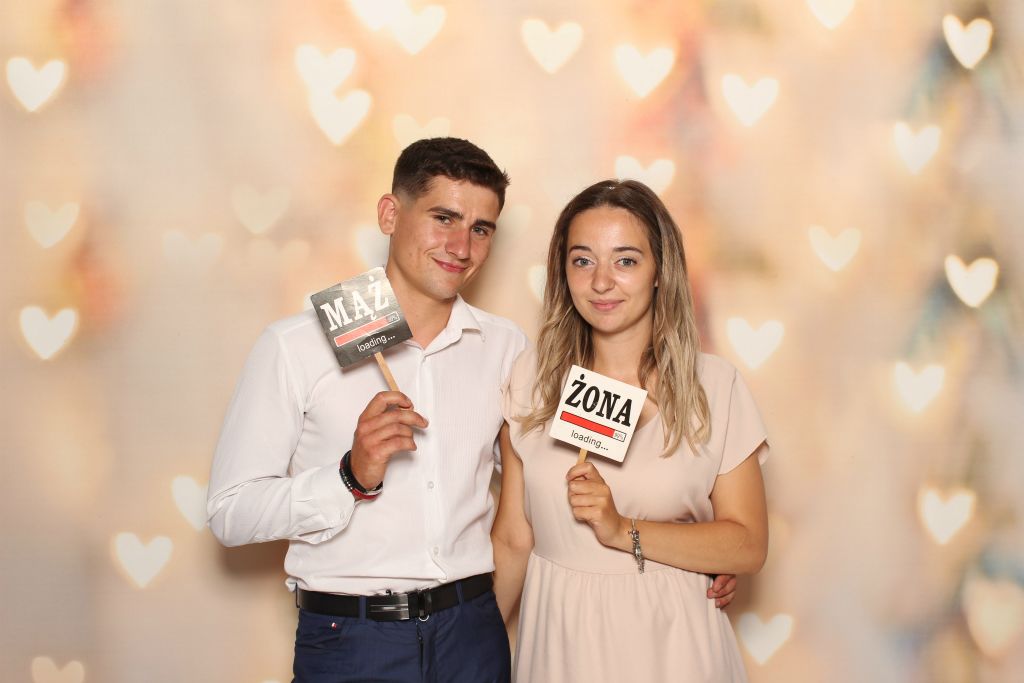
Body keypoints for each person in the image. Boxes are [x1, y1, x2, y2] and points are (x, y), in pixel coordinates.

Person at [207, 138, 525, 682]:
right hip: (352, 640)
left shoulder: (506, 346)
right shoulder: (294, 345)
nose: (461, 247)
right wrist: (348, 477)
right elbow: (229, 512)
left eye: (481, 229)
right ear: (389, 214)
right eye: (443, 218)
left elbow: (533, 486)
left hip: (471, 633)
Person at [491, 179, 769, 682]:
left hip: (675, 644)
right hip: (562, 642)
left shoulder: (714, 385)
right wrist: (473, 652)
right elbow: (513, 536)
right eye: (582, 260)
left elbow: (748, 544)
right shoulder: (532, 379)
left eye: (625, 260)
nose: (601, 282)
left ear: (660, 270)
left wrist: (624, 530)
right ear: (562, 272)